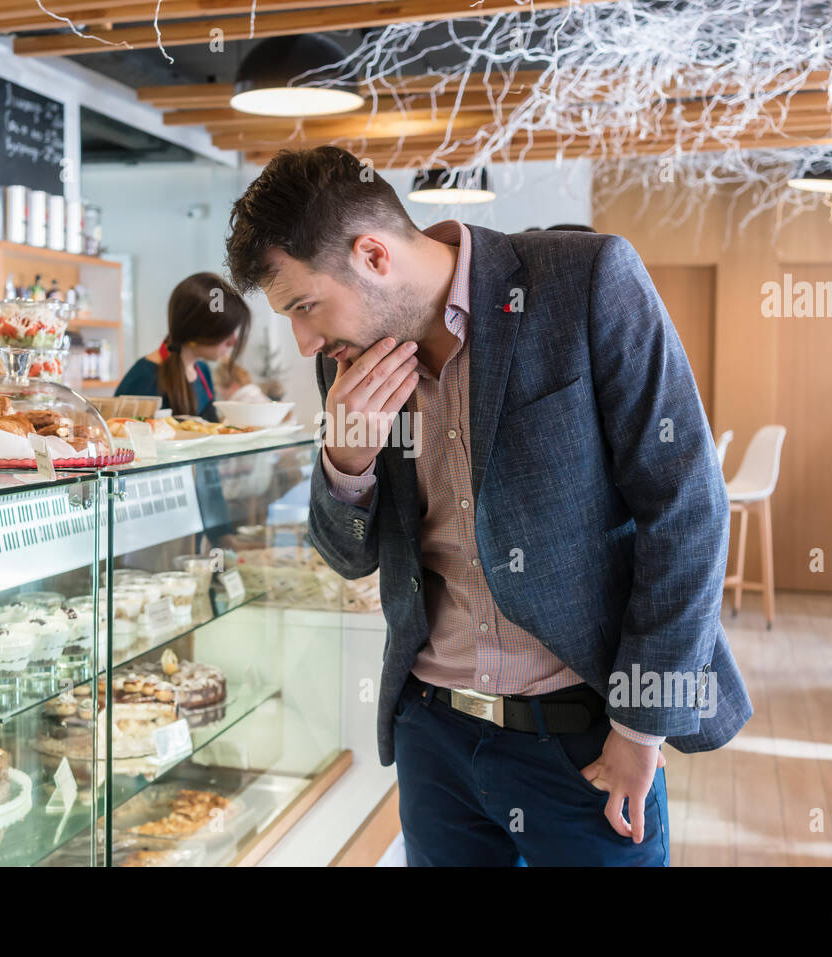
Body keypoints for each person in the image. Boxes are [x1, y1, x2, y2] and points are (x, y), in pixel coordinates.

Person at [225, 146, 751, 866]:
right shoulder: (345, 362)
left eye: (304, 307)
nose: (306, 340)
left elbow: (688, 506)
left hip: (584, 739)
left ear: (373, 255)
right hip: (434, 738)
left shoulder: (585, 281)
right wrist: (346, 459)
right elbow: (350, 556)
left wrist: (641, 726)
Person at [114, 272, 250, 421]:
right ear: (196, 330)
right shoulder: (144, 378)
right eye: (226, 331)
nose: (234, 341)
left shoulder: (203, 371)